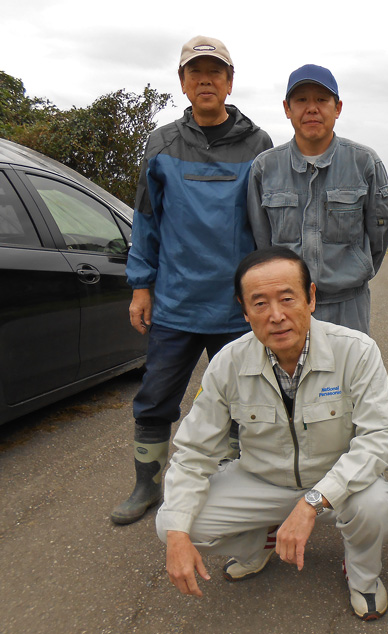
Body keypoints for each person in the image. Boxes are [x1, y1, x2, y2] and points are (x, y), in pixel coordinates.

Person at [155, 247, 388, 621]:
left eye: (287, 298)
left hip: (336, 483)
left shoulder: (357, 351)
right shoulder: (228, 363)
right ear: (244, 310)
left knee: (376, 505)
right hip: (261, 480)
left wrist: (312, 502)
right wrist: (176, 536)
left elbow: (378, 439)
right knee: (174, 521)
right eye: (259, 303)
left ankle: (363, 577)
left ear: (311, 298)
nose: (276, 315)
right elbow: (193, 453)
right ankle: (259, 542)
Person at [110, 36, 273, 525]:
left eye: (215, 72)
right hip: (176, 305)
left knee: (247, 405)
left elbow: (266, 224)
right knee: (155, 397)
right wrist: (141, 286)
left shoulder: (258, 144)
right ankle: (147, 486)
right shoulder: (160, 144)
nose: (205, 80)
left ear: (229, 82)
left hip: (236, 309)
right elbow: (146, 220)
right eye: (195, 72)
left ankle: (242, 488)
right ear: (182, 82)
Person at [247, 64, 388, 335]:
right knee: (290, 378)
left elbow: (380, 235)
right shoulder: (265, 168)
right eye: (301, 100)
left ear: (337, 108)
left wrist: (355, 267)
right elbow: (262, 242)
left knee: (349, 376)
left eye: (321, 100)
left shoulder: (364, 163)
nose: (311, 108)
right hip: (287, 309)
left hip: (348, 305)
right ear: (287, 108)